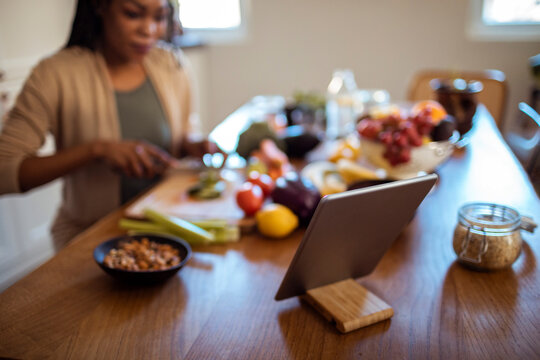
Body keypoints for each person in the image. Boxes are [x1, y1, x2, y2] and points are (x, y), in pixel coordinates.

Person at [0, 0, 219, 250]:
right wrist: (97, 150)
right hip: (89, 242)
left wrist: (191, 144)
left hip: (170, 233)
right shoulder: (55, 74)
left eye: (160, 17)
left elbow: (183, 132)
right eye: (133, 14)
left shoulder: (171, 65)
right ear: (100, 6)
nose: (149, 30)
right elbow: (4, 169)